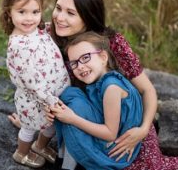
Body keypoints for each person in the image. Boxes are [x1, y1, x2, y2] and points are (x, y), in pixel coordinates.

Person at [35, 0, 178, 170]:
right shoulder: (48, 38)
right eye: (58, 8)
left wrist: (142, 131)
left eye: (70, 13)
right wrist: (32, 116)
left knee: (141, 165)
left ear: (88, 16)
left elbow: (147, 90)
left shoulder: (112, 43)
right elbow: (33, 75)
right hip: (87, 114)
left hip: (126, 118)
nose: (59, 17)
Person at [48, 32, 145, 170]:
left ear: (103, 57)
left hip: (114, 149)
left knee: (72, 112)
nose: (80, 66)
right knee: (69, 94)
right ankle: (63, 153)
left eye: (86, 58)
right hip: (107, 132)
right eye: (74, 63)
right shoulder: (102, 80)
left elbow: (110, 134)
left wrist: (72, 119)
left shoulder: (111, 87)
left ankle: (67, 166)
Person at [2, 0, 71, 166]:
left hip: (53, 94)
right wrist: (49, 100)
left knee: (50, 126)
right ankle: (21, 152)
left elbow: (46, 30)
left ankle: (40, 146)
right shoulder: (18, 46)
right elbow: (32, 82)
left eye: (35, 12)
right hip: (36, 100)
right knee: (29, 127)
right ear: (9, 12)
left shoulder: (37, 30)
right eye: (22, 12)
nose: (29, 18)